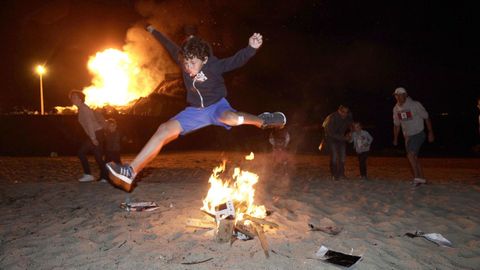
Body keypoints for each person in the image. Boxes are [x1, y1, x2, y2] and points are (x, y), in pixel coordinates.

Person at [106, 25, 286, 192]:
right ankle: (130, 171)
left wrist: (251, 48)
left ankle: (263, 120)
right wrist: (153, 30)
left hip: (217, 106)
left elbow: (235, 61)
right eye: (185, 63)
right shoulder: (185, 60)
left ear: (204, 60)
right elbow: (168, 44)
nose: (188, 68)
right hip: (195, 112)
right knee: (163, 129)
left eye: (193, 64)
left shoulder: (213, 66)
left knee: (232, 118)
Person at [392, 87, 434, 185]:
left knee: (410, 155)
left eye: (400, 95)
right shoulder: (396, 109)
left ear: (406, 95)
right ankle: (422, 179)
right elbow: (396, 125)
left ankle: (417, 178)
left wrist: (430, 132)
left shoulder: (415, 105)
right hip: (408, 136)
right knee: (414, 157)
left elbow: (426, 117)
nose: (398, 97)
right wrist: (395, 138)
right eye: (396, 95)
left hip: (418, 133)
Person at [69, 90, 109, 182]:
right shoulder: (81, 108)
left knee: (81, 153)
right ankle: (105, 176)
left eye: (74, 97)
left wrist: (93, 138)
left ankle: (89, 175)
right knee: (98, 156)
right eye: (71, 97)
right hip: (95, 133)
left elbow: (89, 124)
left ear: (80, 99)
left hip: (96, 133)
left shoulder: (84, 109)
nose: (72, 99)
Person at [322, 105, 353, 180]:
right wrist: (344, 138)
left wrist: (350, 133)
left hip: (341, 138)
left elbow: (351, 125)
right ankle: (334, 175)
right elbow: (329, 132)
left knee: (342, 157)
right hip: (331, 138)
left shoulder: (348, 116)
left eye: (346, 112)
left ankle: (341, 174)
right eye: (343, 112)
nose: (345, 114)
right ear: (339, 111)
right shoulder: (332, 117)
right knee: (334, 156)